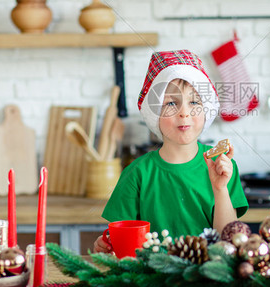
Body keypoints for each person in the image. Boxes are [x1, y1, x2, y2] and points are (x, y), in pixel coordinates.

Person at [94, 50, 248, 253]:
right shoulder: (137, 173)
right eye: (171, 103)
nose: (184, 112)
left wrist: (220, 189)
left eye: (194, 102)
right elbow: (122, 244)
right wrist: (106, 246)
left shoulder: (224, 167)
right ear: (155, 112)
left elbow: (228, 243)